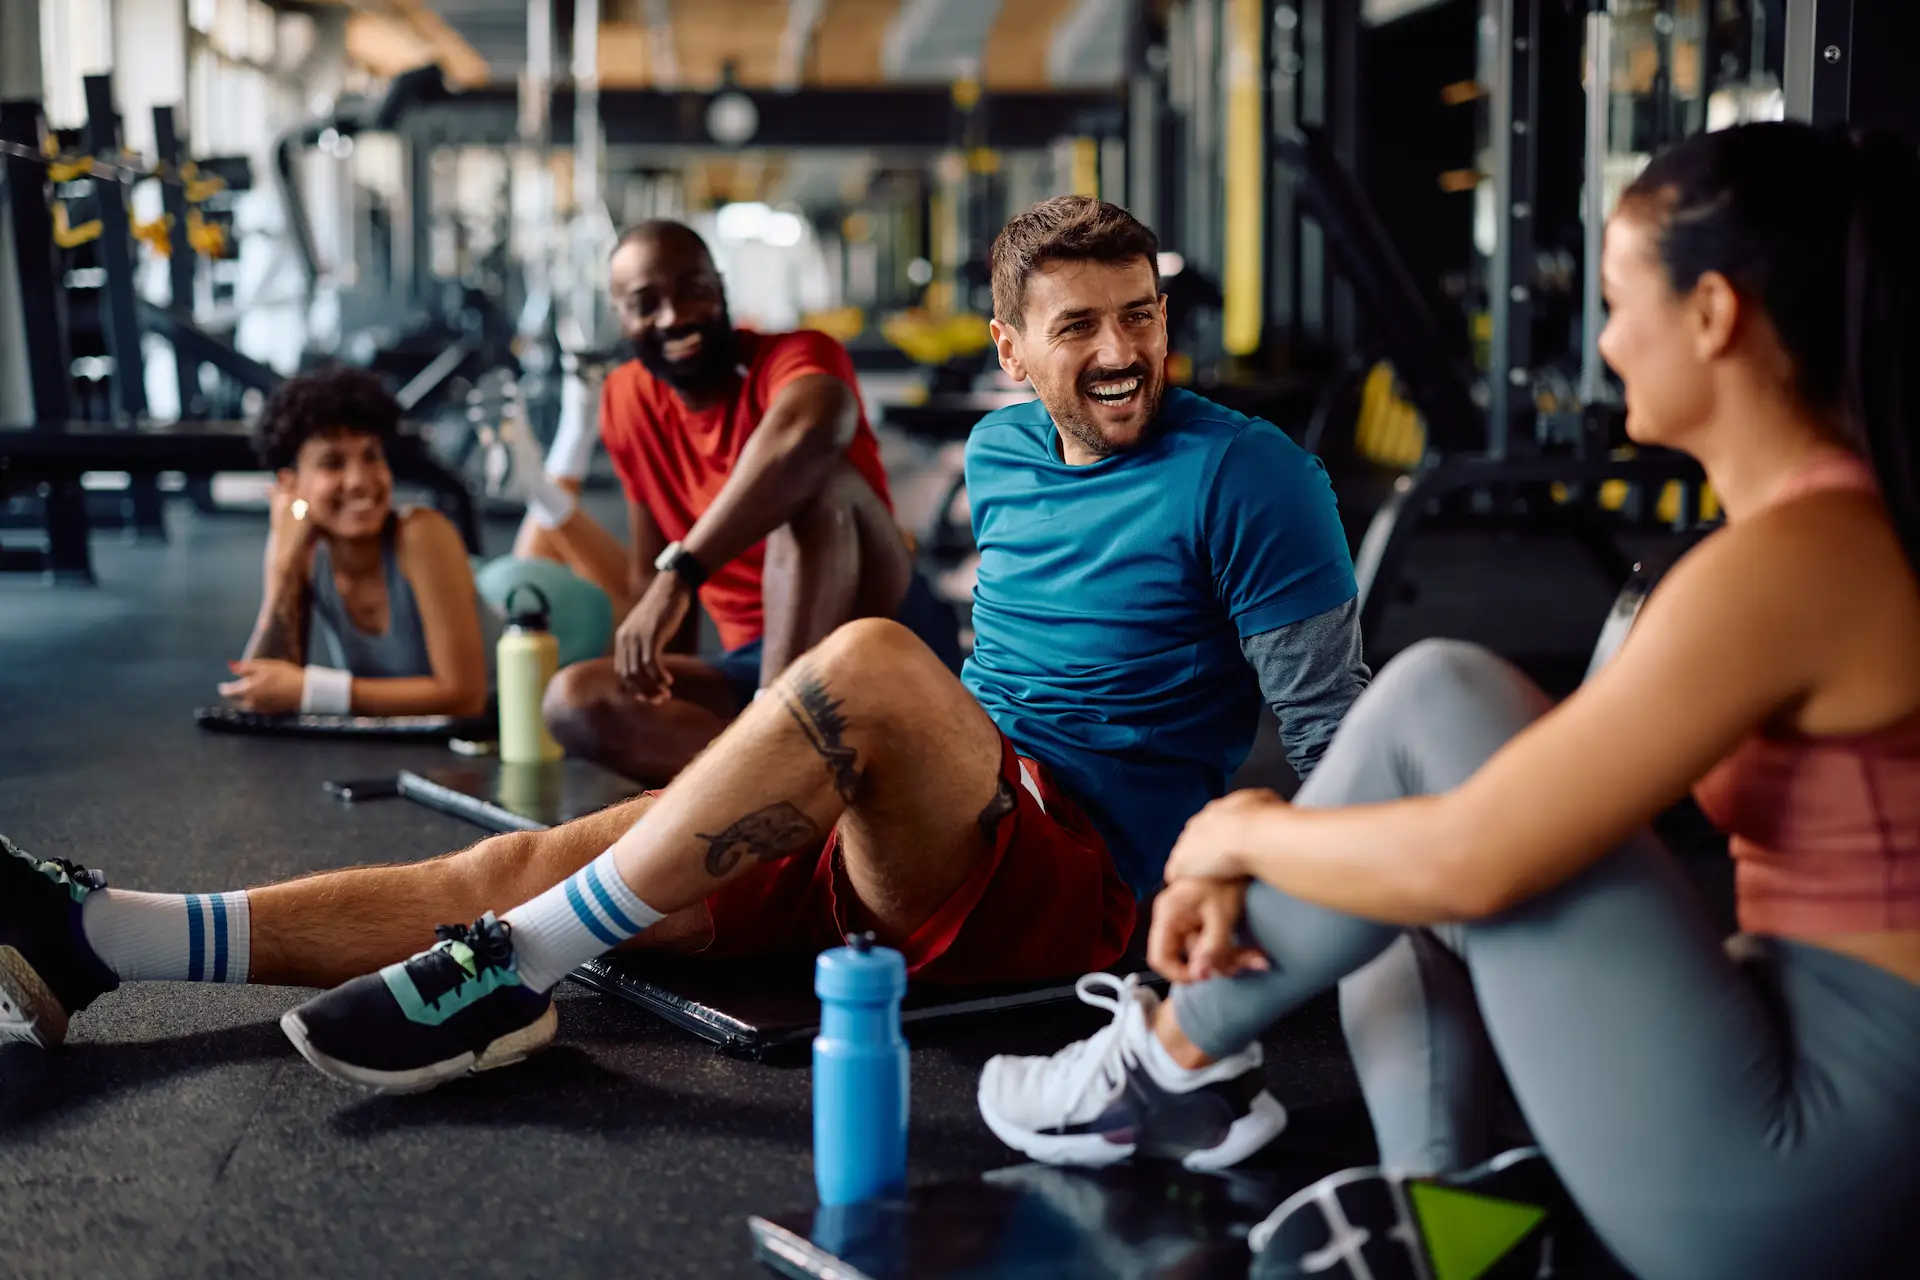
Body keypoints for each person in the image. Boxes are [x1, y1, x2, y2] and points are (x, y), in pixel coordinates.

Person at [0, 200, 1366, 1138]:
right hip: (916, 823)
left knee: (876, 663)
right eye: (1080, 329)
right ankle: (106, 935)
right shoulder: (1004, 458)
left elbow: (1336, 739)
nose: (1124, 353)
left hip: (1072, 874)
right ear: (1011, 352)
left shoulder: (1256, 479)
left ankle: (515, 973)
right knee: (507, 869)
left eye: (1141, 317)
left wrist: (1306, 915)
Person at [974, 124, 1920, 1280]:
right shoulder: (1819, 536)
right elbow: (1509, 813)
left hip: (1806, 1169)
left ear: (1714, 315)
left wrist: (1243, 830)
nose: (1607, 344)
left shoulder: (1799, 561)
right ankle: (1433, 1207)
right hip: (1811, 1067)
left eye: (1619, 305)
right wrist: (1305, 841)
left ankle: (1165, 1060)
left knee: (1433, 711)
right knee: (1422, 741)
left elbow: (1475, 855)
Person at [496, 219, 962, 784]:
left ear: (720, 290)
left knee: (814, 482)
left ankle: (776, 748)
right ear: (621, 317)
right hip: (754, 664)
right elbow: (655, 567)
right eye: (646, 303)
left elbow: (816, 420)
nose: (675, 315)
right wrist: (658, 691)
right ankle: (800, 780)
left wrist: (681, 574)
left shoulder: (795, 355)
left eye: (693, 288)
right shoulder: (627, 399)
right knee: (574, 699)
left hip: (880, 626)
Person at [215, 366, 489, 718]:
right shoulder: (306, 550)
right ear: (291, 485)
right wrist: (282, 569)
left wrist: (311, 689)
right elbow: (264, 694)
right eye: (333, 463)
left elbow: (465, 697)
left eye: (371, 456)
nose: (359, 480)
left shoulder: (421, 533)